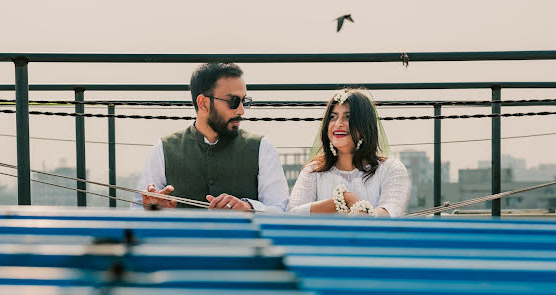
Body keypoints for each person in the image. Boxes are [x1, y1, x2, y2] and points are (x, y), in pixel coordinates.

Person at [132, 63, 289, 212]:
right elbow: (137, 210)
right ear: (203, 103)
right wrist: (153, 210)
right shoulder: (163, 149)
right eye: (233, 101)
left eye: (244, 101)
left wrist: (249, 208)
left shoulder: (262, 147)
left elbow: (280, 209)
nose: (241, 111)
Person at [286, 88, 411, 217]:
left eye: (347, 117)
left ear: (365, 125)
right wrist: (341, 201)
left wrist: (355, 204)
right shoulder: (313, 171)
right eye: (333, 117)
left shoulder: (391, 169)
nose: (338, 124)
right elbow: (291, 216)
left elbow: (388, 215)